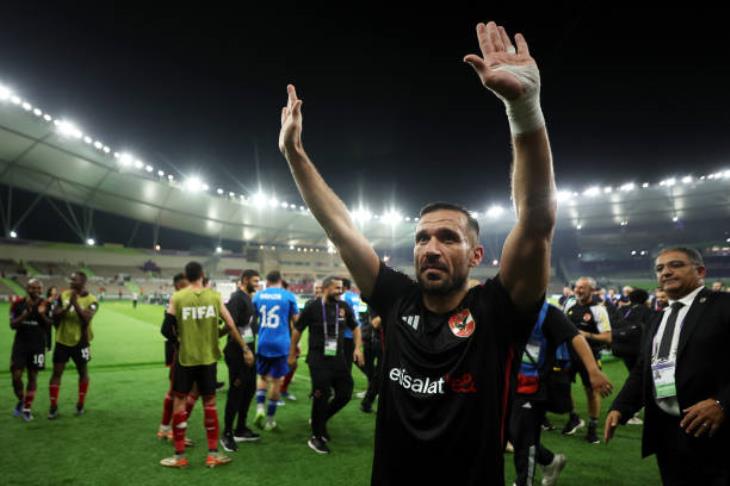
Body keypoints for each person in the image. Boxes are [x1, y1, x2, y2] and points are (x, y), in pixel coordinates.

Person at [278, 20, 555, 484]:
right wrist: (294, 153)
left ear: (476, 254)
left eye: (447, 238)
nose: (430, 247)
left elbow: (536, 225)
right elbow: (341, 228)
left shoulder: (498, 311)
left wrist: (525, 111)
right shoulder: (396, 298)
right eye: (422, 237)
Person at [605, 248, 730, 485]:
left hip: (716, 432)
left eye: (676, 265)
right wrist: (621, 406)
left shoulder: (723, 306)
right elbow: (645, 368)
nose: (666, 272)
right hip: (667, 432)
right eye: (660, 268)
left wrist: (722, 403)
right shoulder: (657, 319)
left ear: (700, 271)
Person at [160, 261, 253, 468]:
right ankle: (213, 454)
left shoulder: (178, 297)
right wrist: (244, 349)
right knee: (209, 404)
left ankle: (179, 456)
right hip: (209, 359)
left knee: (180, 403)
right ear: (202, 275)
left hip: (185, 358)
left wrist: (179, 340)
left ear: (186, 275)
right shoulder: (215, 297)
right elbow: (230, 325)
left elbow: (166, 329)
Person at [510, 302, 612, 485]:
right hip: (504, 384)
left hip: (532, 385)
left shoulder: (547, 312)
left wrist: (593, 371)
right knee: (511, 433)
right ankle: (550, 461)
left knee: (525, 438)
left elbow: (576, 337)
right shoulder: (502, 303)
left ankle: (523, 481)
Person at [289, 276, 364, 453]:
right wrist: (292, 352)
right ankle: (316, 436)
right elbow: (298, 330)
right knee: (321, 395)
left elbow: (356, 327)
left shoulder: (344, 307)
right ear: (324, 289)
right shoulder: (312, 307)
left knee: (345, 392)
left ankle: (320, 420)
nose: (340, 291)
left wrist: (358, 348)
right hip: (318, 359)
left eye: (341, 288)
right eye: (336, 288)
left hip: (338, 359)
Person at [561, 276, 612, 443]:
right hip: (568, 355)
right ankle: (574, 417)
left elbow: (607, 338)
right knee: (564, 387)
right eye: (577, 287)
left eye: (583, 287)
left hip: (589, 356)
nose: (578, 290)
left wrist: (585, 335)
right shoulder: (569, 304)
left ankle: (592, 426)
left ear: (592, 290)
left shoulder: (599, 310)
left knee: (591, 391)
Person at [220, 269, 261, 452]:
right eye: (255, 280)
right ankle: (227, 433)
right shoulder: (237, 298)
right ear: (245, 280)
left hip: (250, 352)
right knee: (236, 393)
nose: (258, 284)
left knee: (249, 389)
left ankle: (240, 428)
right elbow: (231, 326)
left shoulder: (248, 299)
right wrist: (245, 349)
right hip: (238, 353)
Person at [252, 271, 299, 431]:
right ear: (280, 280)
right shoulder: (288, 296)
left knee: (262, 377)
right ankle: (271, 420)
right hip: (281, 343)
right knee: (276, 381)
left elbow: (253, 319)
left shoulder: (258, 296)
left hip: (263, 341)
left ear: (267, 281)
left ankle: (259, 408)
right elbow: (297, 323)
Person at [48, 272, 98, 419]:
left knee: (83, 372)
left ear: (83, 282)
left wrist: (75, 304)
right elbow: (55, 315)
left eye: (74, 280)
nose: (71, 282)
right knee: (57, 373)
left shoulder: (92, 300)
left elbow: (86, 318)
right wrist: (67, 306)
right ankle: (53, 406)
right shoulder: (63, 296)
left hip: (82, 342)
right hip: (62, 340)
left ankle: (80, 404)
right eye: (70, 279)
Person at [157, 273, 196, 445]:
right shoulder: (179, 300)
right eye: (186, 285)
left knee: (175, 391)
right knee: (188, 392)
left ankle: (165, 428)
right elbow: (167, 328)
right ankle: (174, 431)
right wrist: (179, 341)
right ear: (179, 286)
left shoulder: (177, 300)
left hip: (177, 350)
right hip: (182, 351)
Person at [9, 279, 52, 421]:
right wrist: (26, 314)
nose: (34, 290)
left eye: (37, 288)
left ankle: (27, 408)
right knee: (16, 376)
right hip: (20, 345)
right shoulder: (17, 304)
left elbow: (49, 325)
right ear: (26, 288)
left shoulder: (46, 304)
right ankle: (22, 400)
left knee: (33, 376)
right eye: (31, 287)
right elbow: (12, 325)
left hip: (37, 345)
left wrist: (41, 314)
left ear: (41, 290)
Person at [359, 309, 383, 413]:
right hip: (380, 343)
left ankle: (367, 402)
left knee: (380, 374)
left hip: (389, 342)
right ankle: (367, 402)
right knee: (379, 375)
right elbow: (375, 323)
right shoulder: (377, 304)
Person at [341, 278, 363, 374]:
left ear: (344, 286)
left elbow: (343, 316)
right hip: (355, 331)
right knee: (351, 358)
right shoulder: (355, 296)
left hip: (346, 333)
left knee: (344, 362)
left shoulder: (343, 296)